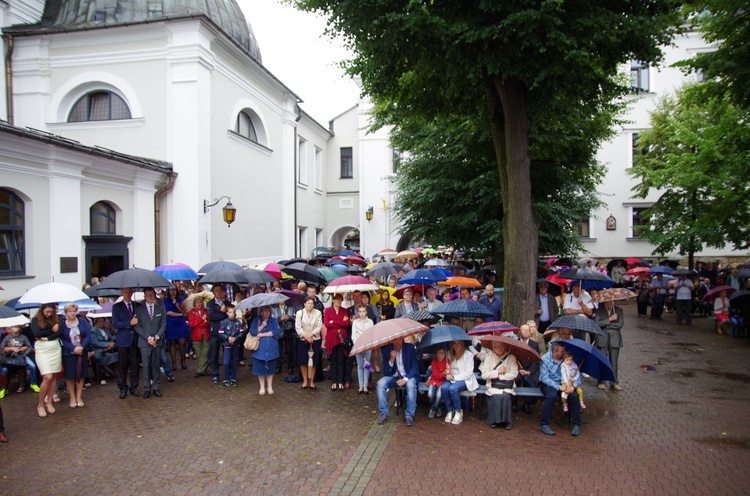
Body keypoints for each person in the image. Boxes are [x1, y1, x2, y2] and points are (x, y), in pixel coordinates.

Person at [539, 341, 582, 436]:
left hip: (566, 383)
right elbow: (545, 378)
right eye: (562, 351)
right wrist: (559, 387)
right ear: (554, 352)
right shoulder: (545, 359)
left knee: (574, 396)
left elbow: (579, 376)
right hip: (549, 384)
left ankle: (576, 424)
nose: (564, 352)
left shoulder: (567, 359)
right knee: (551, 396)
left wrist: (573, 386)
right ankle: (544, 424)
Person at [376, 336, 419, 426]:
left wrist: (405, 379)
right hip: (394, 377)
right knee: (380, 384)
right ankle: (384, 413)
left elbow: (414, 366)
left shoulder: (410, 348)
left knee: (411, 386)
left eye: (400, 339)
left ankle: (409, 415)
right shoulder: (387, 350)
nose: (398, 342)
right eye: (395, 339)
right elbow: (386, 372)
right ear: (391, 340)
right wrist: (391, 360)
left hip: (408, 376)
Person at [134, 288, 167, 398]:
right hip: (144, 342)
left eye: (152, 295)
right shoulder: (139, 309)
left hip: (157, 341)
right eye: (148, 295)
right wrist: (148, 338)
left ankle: (156, 387)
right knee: (146, 365)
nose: (150, 297)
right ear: (144, 297)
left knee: (156, 364)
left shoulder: (160, 309)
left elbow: (163, 325)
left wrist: (156, 337)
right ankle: (147, 387)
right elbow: (137, 326)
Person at [31, 304, 62, 417]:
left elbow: (60, 332)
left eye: (51, 312)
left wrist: (48, 337)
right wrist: (51, 330)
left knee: (53, 376)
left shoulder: (57, 319)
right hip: (42, 350)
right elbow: (37, 333)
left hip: (54, 348)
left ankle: (49, 402)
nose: (49, 314)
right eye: (47, 312)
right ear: (42, 310)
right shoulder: (35, 320)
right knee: (47, 377)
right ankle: (40, 404)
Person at [479, 341, 519, 429]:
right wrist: (497, 372)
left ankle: (507, 422)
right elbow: (484, 375)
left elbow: (514, 374)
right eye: (497, 347)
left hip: (507, 386)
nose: (500, 349)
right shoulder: (489, 358)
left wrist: (500, 377)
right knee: (496, 396)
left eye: (502, 346)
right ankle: (494, 420)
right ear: (493, 348)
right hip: (493, 386)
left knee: (505, 396)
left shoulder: (511, 357)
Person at [60, 302, 92, 409]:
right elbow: (62, 340)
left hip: (81, 352)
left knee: (80, 375)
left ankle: (79, 397)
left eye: (74, 311)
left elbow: (87, 335)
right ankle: (72, 397)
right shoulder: (63, 324)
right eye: (70, 311)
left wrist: (82, 347)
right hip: (69, 354)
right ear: (66, 313)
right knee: (70, 376)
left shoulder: (82, 321)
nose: (72, 313)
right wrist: (73, 348)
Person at [440, 340, 478, 425]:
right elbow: (444, 368)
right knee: (444, 388)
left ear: (462, 344)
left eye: (459, 343)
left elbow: (468, 373)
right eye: (454, 343)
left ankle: (458, 411)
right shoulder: (448, 354)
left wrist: (454, 377)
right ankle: (450, 410)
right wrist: (446, 371)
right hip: (451, 378)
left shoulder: (468, 355)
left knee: (453, 389)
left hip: (464, 379)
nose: (456, 345)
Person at [112, 288, 141, 399]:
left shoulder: (137, 306)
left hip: (135, 339)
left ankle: (134, 386)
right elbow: (115, 323)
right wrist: (129, 323)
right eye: (125, 292)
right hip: (123, 339)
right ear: (122, 293)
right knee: (123, 365)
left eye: (129, 292)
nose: (128, 294)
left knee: (135, 364)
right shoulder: (117, 307)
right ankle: (122, 387)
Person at [249, 306, 280, 395]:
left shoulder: (273, 320)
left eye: (268, 311)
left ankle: (270, 386)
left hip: (271, 349)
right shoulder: (256, 320)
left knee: (270, 369)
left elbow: (276, 332)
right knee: (260, 369)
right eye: (265, 311)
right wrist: (262, 325)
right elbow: (253, 332)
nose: (267, 313)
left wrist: (262, 334)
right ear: (261, 312)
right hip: (259, 350)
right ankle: (262, 387)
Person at [594, 300, 624, 391]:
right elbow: (597, 324)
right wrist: (610, 320)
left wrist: (607, 325)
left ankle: (614, 382)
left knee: (614, 361)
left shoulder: (619, 310)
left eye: (611, 302)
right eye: (607, 302)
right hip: (602, 338)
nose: (609, 304)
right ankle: (601, 381)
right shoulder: (599, 310)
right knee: (602, 360)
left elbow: (620, 324)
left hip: (614, 339)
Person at [323, 294, 350, 391]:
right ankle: (334, 382)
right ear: (333, 300)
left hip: (342, 338)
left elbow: (346, 323)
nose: (338, 301)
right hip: (332, 339)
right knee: (333, 361)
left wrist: (333, 322)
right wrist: (339, 322)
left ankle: (340, 382)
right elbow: (326, 324)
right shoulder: (328, 310)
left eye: (340, 300)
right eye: (337, 300)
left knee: (341, 361)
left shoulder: (344, 310)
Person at [295, 296, 323, 390]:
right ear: (304, 304)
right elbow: (298, 327)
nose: (310, 305)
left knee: (314, 361)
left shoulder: (318, 313)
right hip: (303, 340)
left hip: (315, 339)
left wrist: (312, 334)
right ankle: (305, 380)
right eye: (308, 303)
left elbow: (319, 326)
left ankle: (311, 381)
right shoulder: (300, 313)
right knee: (303, 361)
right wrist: (305, 336)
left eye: (311, 303)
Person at [207, 285, 231, 384]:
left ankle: (228, 373)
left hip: (226, 332)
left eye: (220, 291)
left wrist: (226, 311)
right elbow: (212, 316)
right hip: (215, 332)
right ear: (213, 292)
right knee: (214, 354)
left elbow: (232, 314)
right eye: (216, 291)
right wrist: (223, 313)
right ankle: (215, 374)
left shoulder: (227, 303)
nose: (219, 293)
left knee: (227, 353)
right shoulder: (210, 303)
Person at [515, 324, 540, 413]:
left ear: (530, 332)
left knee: (534, 380)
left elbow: (536, 360)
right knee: (516, 379)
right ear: (520, 332)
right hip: (518, 368)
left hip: (530, 368)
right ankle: (514, 403)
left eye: (527, 330)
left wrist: (529, 371)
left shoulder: (535, 344)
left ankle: (527, 404)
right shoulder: (515, 342)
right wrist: (519, 369)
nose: (525, 331)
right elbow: (513, 358)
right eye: (523, 330)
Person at [1, 325, 33, 393]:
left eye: (16, 327)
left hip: (20, 356)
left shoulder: (23, 337)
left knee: (24, 367)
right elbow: (2, 347)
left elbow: (29, 347)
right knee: (8, 370)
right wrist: (11, 349)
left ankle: (23, 385)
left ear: (20, 328)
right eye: (12, 327)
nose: (14, 329)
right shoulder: (7, 337)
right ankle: (5, 387)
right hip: (10, 357)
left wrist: (24, 353)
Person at [219, 305, 245, 387]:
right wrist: (228, 338)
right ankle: (226, 378)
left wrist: (235, 338)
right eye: (230, 312)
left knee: (234, 362)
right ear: (227, 313)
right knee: (226, 362)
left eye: (233, 312)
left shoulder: (238, 322)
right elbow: (220, 333)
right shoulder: (223, 322)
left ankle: (233, 378)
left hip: (235, 344)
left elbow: (241, 333)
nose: (232, 314)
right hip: (227, 344)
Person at [164, 286, 189, 370]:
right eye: (171, 290)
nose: (173, 292)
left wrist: (177, 305)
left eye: (174, 290)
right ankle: (174, 362)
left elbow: (184, 311)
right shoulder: (166, 300)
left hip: (180, 322)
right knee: (172, 342)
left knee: (182, 342)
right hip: (171, 322)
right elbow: (168, 312)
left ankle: (183, 361)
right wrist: (180, 314)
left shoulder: (180, 299)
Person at [351, 305, 374, 394]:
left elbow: (371, 334)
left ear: (366, 312)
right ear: (358, 312)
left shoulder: (370, 322)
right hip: (358, 345)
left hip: (367, 345)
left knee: (367, 365)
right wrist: (358, 345)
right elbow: (354, 335)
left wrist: (366, 345)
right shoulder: (355, 322)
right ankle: (360, 385)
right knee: (360, 366)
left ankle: (365, 385)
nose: (362, 313)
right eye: (360, 312)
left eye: (363, 311)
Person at [88, 317, 117, 385]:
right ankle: (105, 372)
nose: (101, 323)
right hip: (98, 349)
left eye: (103, 321)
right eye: (99, 321)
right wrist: (107, 344)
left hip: (109, 348)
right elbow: (94, 342)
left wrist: (111, 344)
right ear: (96, 322)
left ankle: (108, 371)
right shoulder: (93, 330)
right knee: (108, 356)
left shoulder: (105, 329)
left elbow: (110, 338)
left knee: (119, 354)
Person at [188, 297, 211, 377]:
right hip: (196, 335)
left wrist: (200, 322)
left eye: (200, 302)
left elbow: (207, 323)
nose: (199, 304)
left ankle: (200, 370)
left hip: (205, 334)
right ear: (194, 303)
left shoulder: (206, 311)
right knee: (199, 353)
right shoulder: (192, 312)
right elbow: (192, 324)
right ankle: (204, 370)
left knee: (205, 352)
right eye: (197, 302)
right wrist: (201, 319)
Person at [426, 347, 449, 418]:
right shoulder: (433, 362)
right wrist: (443, 373)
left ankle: (433, 409)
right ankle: (438, 407)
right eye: (440, 353)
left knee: (439, 395)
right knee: (430, 395)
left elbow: (447, 375)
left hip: (442, 382)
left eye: (443, 352)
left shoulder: (447, 362)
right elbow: (435, 375)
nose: (442, 354)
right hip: (434, 381)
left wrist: (448, 370)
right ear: (436, 355)